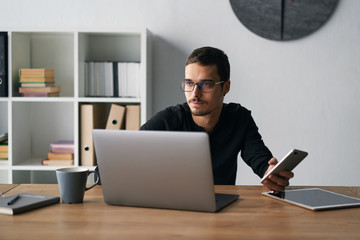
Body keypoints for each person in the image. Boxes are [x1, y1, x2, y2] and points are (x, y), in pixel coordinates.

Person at [140, 46, 293, 192]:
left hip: (221, 208)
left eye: (206, 84)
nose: (195, 93)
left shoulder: (239, 118)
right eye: (189, 83)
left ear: (226, 87)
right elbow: (132, 155)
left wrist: (271, 173)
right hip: (172, 206)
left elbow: (260, 159)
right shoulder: (168, 119)